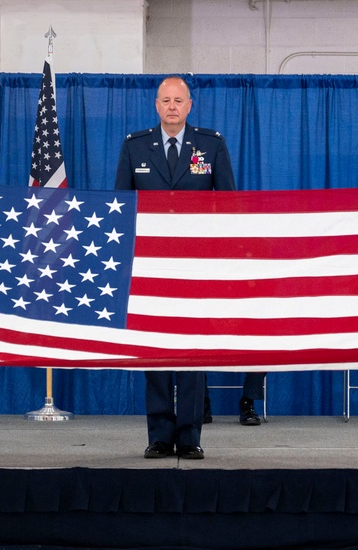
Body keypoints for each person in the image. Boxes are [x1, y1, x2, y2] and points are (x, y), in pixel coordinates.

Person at [115, 75, 236, 459]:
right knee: (155, 351)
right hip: (149, 266)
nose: (171, 106)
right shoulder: (135, 147)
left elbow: (229, 206)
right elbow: (121, 208)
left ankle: (190, 435)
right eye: (165, 100)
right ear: (156, 105)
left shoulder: (210, 145)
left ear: (189, 105)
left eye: (178, 100)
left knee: (191, 351)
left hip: (196, 265)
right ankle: (160, 434)